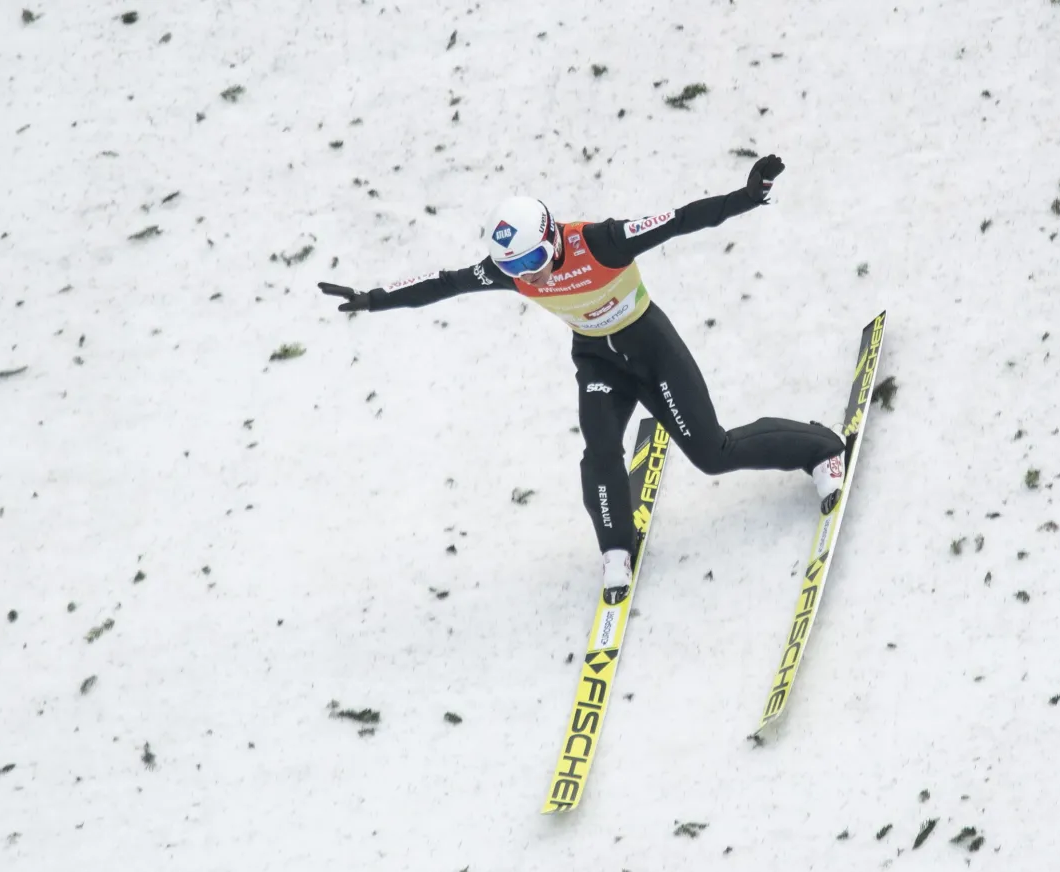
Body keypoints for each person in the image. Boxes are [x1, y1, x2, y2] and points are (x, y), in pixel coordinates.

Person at [319, 154, 845, 605]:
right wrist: (374, 298)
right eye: (514, 268)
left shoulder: (602, 242)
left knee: (714, 453)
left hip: (650, 347)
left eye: (531, 260)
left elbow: (682, 220)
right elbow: (444, 283)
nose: (528, 276)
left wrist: (747, 196)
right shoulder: (510, 273)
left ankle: (819, 449)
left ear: (551, 236)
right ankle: (616, 545)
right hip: (598, 361)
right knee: (598, 450)